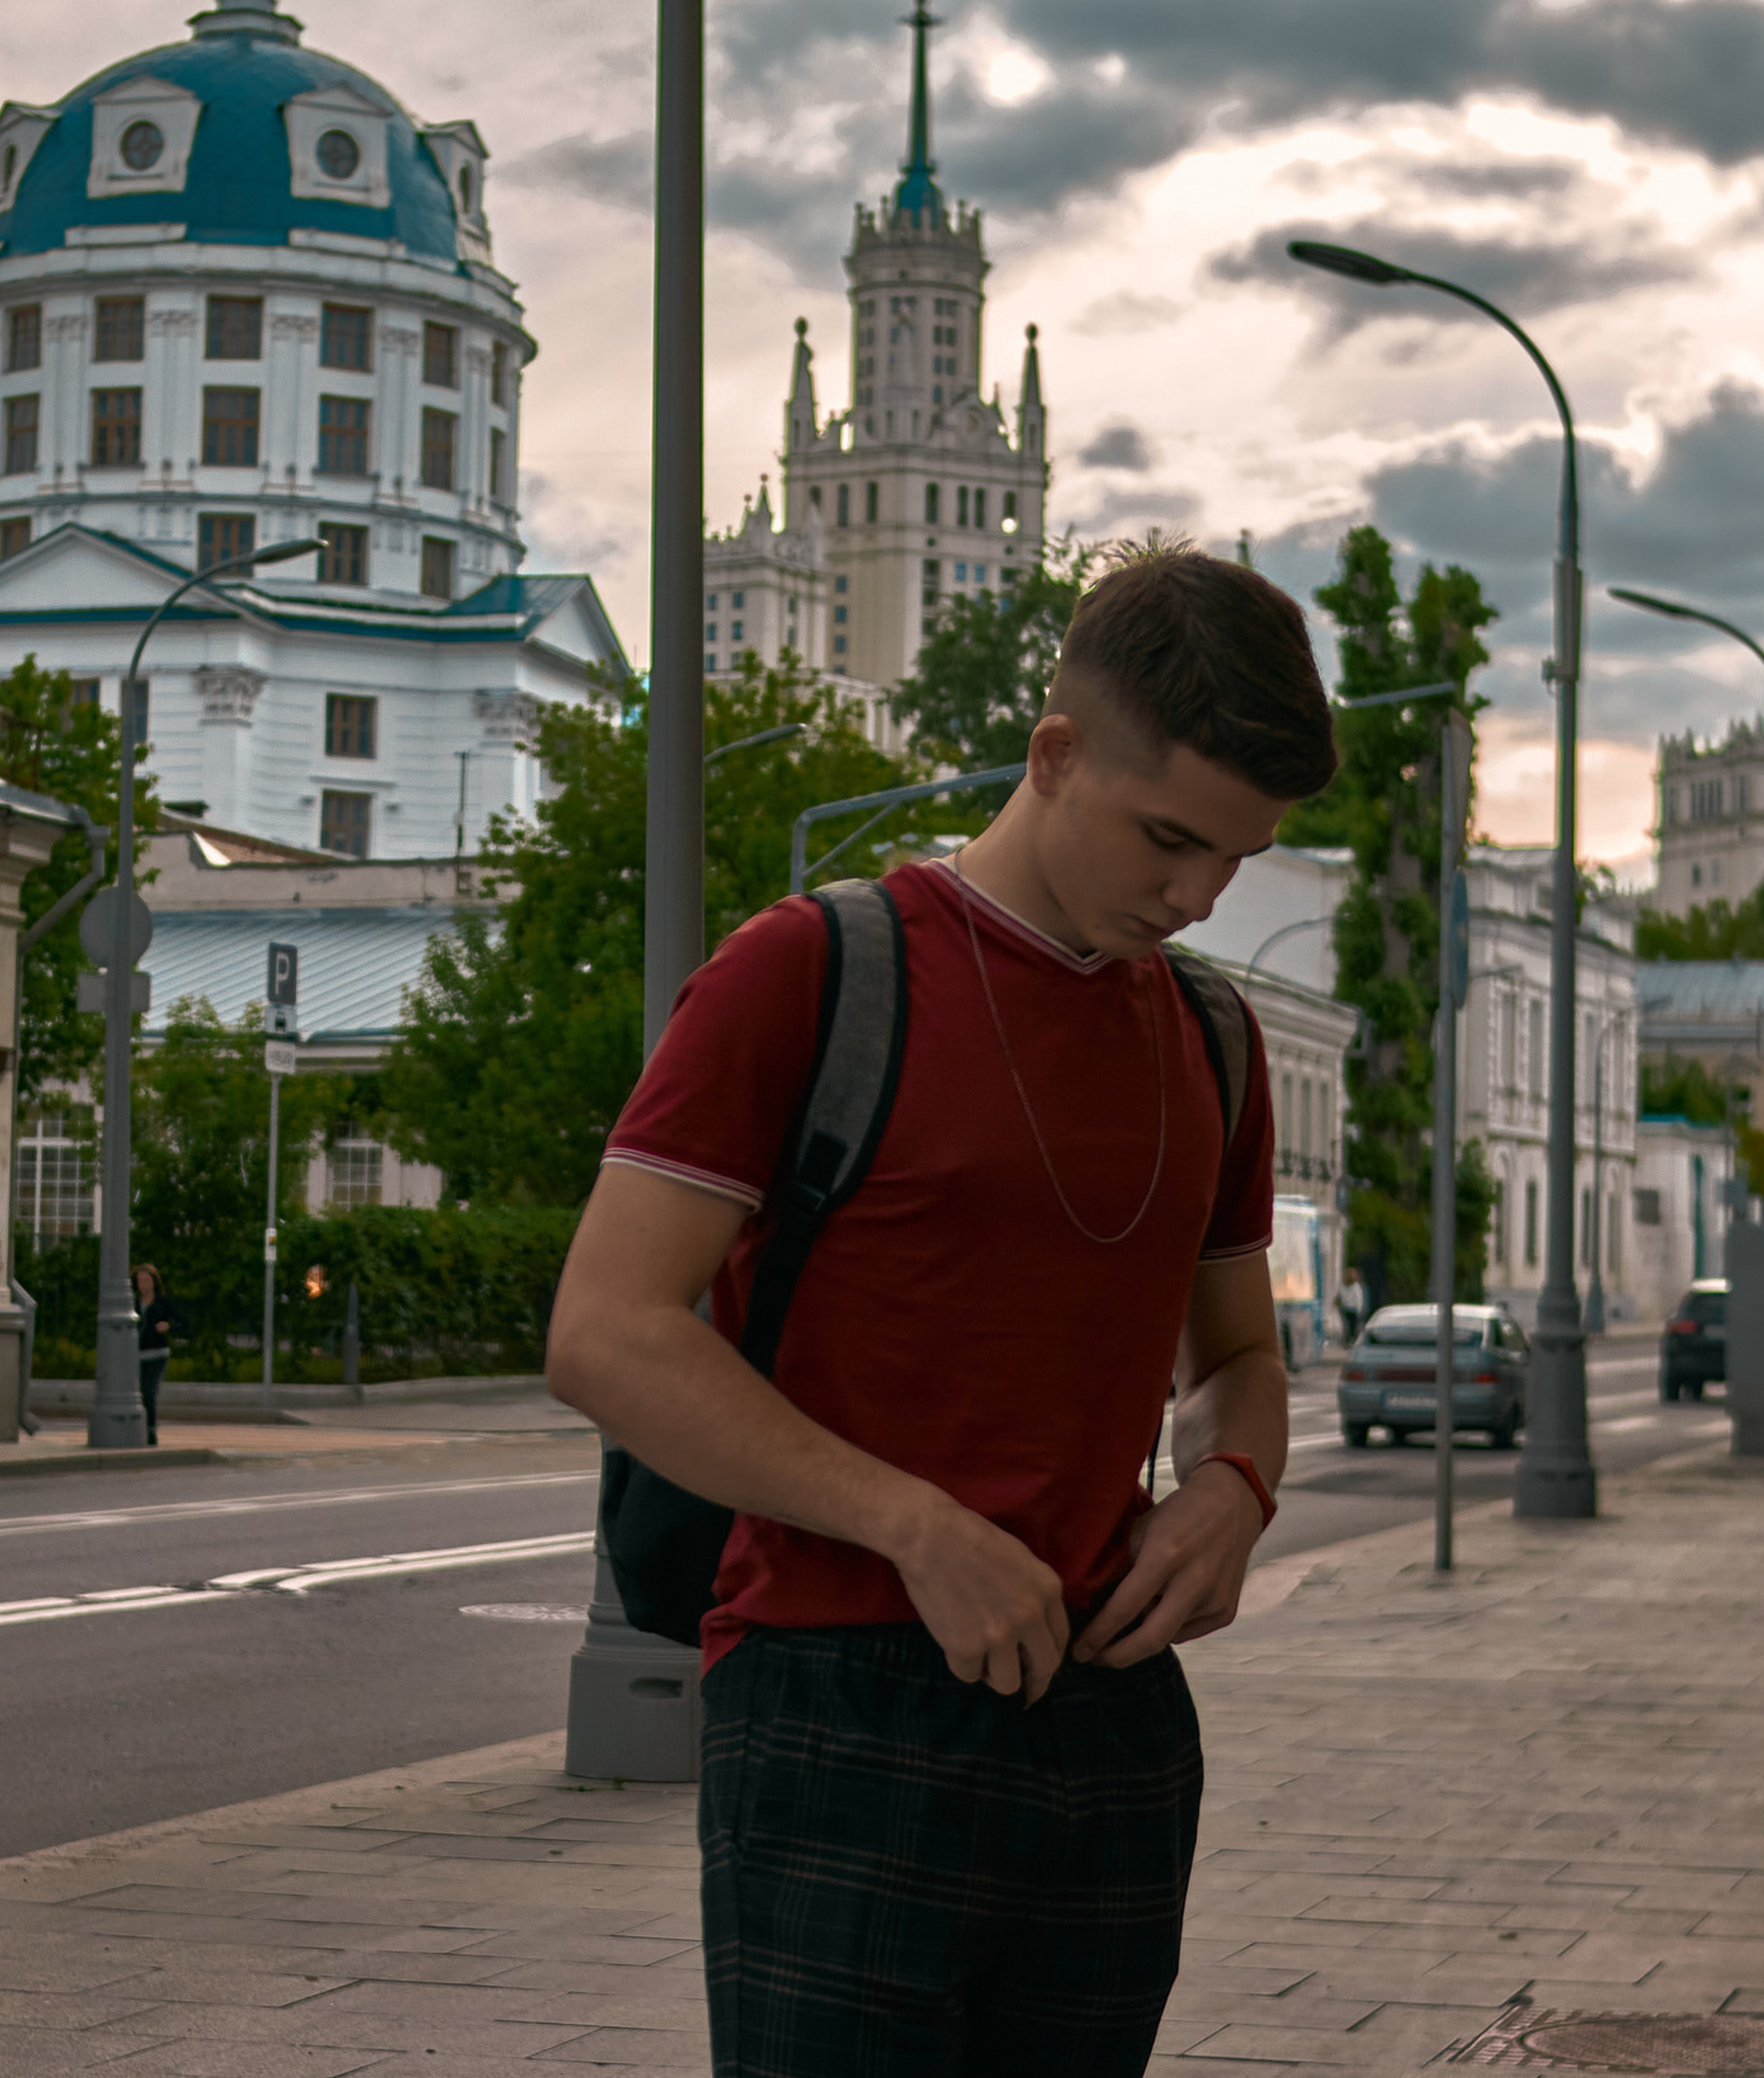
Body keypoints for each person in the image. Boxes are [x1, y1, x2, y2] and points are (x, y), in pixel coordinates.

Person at [549, 545, 1338, 2078]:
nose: (1196, 896)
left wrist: (1237, 1487)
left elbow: (1240, 1355)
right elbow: (606, 1332)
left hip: (1112, 1714)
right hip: (840, 1700)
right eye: (1170, 839)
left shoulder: (1213, 1036)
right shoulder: (813, 971)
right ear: (1055, 755)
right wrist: (914, 1525)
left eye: (1238, 860)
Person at [134, 1264, 173, 1446]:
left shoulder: (162, 1303)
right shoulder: (134, 1302)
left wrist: (168, 1326)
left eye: (147, 1280)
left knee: (148, 1391)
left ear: (154, 1282)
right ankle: (140, 1429)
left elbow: (180, 1321)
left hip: (157, 1353)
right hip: (138, 1354)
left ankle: (151, 1431)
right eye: (140, 1280)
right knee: (139, 1393)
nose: (143, 1284)